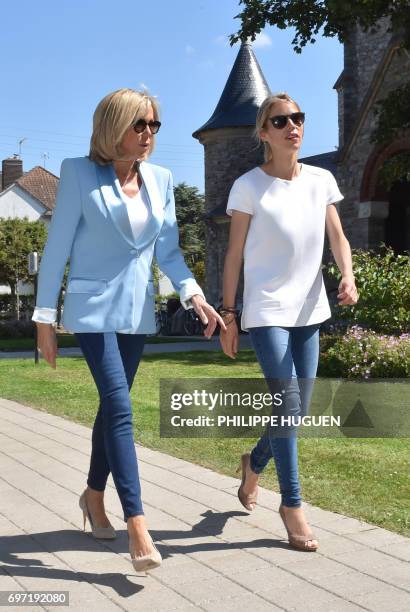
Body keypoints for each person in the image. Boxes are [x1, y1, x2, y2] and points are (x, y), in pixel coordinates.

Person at [32, 88, 225, 572]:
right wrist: (43, 320)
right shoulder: (79, 173)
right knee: (120, 406)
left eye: (154, 126)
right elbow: (56, 252)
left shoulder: (161, 180)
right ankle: (137, 522)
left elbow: (170, 254)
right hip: (91, 307)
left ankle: (93, 496)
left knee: (109, 407)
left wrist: (195, 295)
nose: (148, 135)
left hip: (137, 312)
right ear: (112, 126)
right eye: (139, 125)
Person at [219, 93, 358, 552]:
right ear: (264, 133)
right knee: (288, 404)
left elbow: (336, 235)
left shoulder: (321, 180)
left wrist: (348, 276)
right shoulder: (248, 187)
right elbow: (233, 254)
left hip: (309, 310)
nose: (292, 126)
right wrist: (229, 313)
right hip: (267, 313)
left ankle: (253, 464)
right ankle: (292, 504)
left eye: (297, 118)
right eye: (280, 121)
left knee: (296, 410)